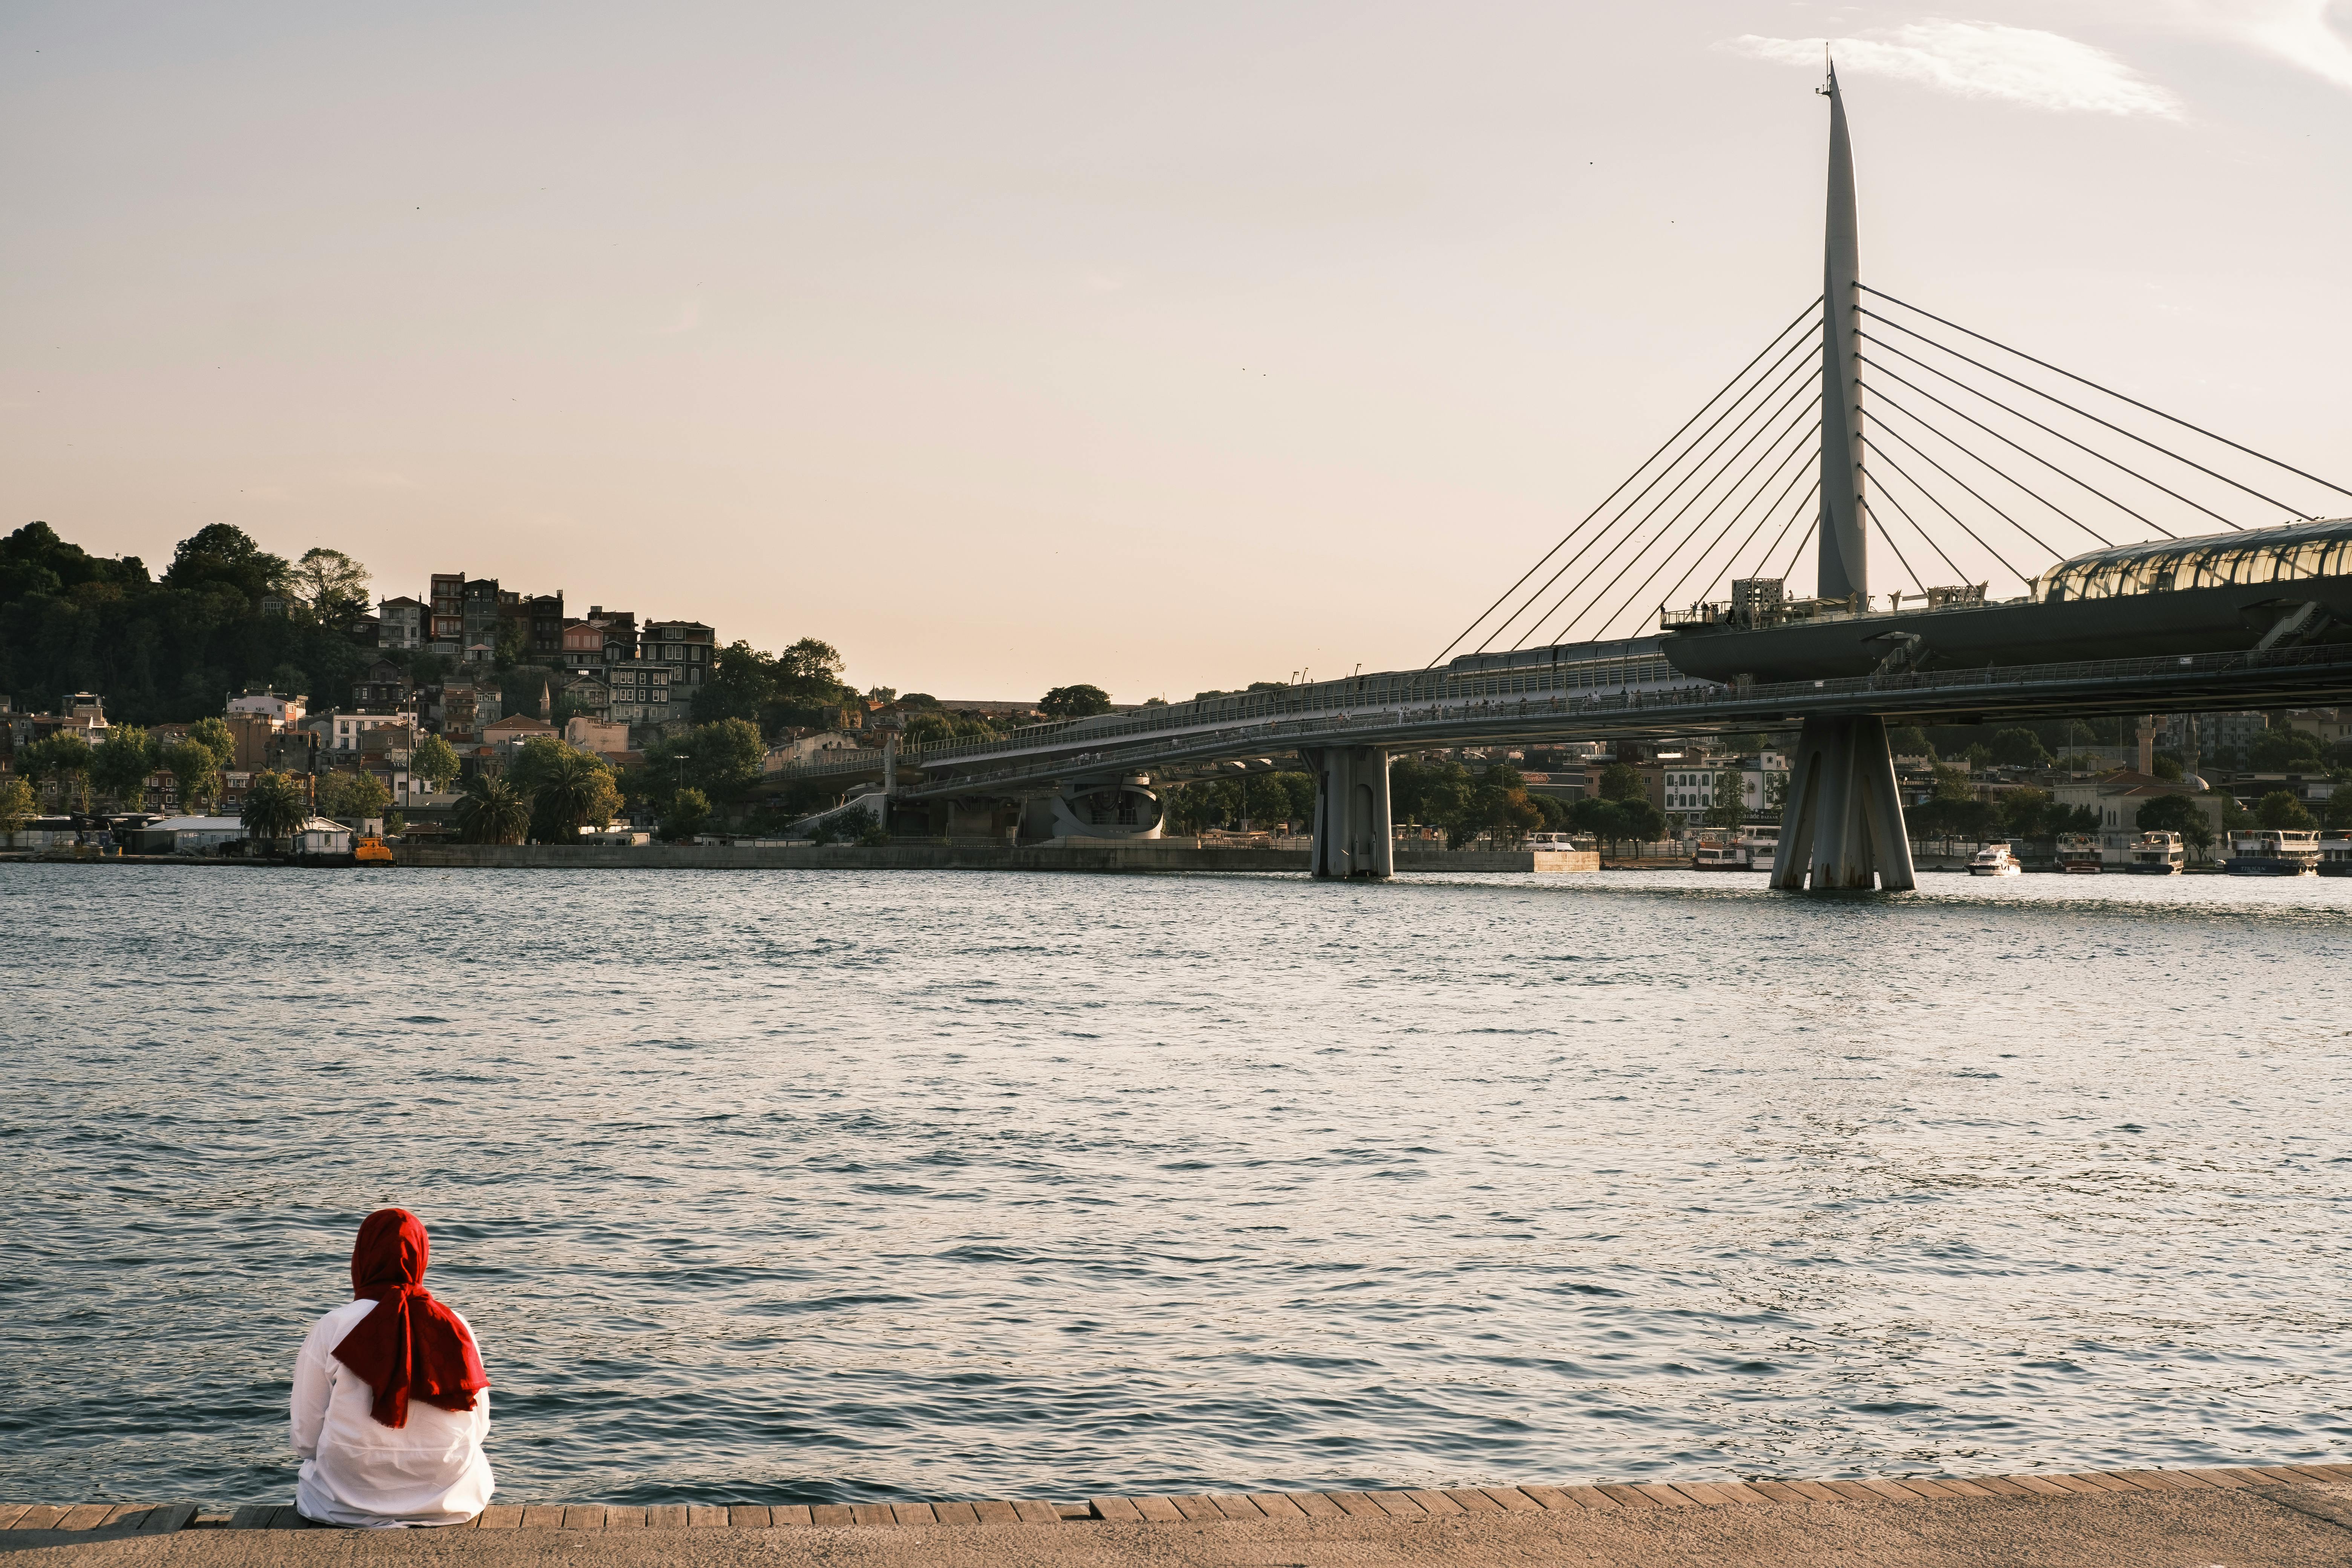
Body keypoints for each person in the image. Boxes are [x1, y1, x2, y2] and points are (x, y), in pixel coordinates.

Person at [289, 1209, 494, 1527]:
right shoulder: (455, 1326)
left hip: (343, 1504)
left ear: (362, 1258)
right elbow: (479, 1429)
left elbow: (305, 1439)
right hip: (450, 1502)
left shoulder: (332, 1327)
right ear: (421, 1256)